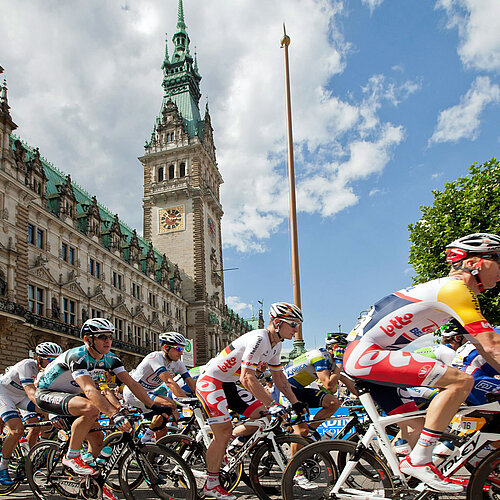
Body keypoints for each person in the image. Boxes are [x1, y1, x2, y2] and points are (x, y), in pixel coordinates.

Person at [343, 233, 500, 493]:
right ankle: (419, 461)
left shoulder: (447, 288)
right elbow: (492, 345)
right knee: (461, 381)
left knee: (415, 426)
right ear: (478, 262)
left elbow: (485, 346)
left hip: (366, 355)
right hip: (367, 356)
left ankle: (403, 487)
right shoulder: (455, 289)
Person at [35, 318, 171, 500]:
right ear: (88, 339)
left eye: (110, 337)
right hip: (47, 393)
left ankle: (92, 482)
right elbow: (89, 390)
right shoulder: (78, 356)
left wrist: (152, 406)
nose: (108, 341)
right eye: (102, 337)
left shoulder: (110, 359)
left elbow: (131, 383)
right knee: (91, 409)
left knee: (99, 441)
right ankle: (71, 456)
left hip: (73, 397)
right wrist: (115, 415)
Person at [196, 302, 308, 500]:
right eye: (293, 324)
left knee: (263, 418)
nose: (296, 329)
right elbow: (247, 378)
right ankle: (211, 484)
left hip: (229, 384)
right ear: (277, 322)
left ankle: (231, 448)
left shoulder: (276, 344)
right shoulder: (259, 339)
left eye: (297, 324)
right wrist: (273, 404)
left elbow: (280, 379)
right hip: (212, 381)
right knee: (223, 431)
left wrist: (295, 402)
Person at [0, 342, 62, 486]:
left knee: (47, 413)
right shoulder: (27, 364)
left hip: (21, 397)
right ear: (39, 358)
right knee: (17, 430)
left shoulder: (50, 371)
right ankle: (2, 467)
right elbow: (31, 392)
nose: (54, 363)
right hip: (5, 394)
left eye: (57, 360)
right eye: (51, 359)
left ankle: (35, 453)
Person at [122, 331, 196, 443]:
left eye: (183, 349)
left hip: (147, 394)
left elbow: (190, 381)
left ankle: (153, 454)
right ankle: (144, 441)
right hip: (133, 393)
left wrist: (201, 397)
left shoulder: (178, 363)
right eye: (179, 349)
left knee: (162, 429)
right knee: (170, 404)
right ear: (166, 347)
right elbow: (169, 382)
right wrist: (187, 401)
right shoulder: (155, 357)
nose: (181, 353)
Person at [283, 340, 341, 438]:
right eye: (344, 348)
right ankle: (297, 452)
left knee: (333, 403)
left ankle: (310, 432)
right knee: (301, 431)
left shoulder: (332, 362)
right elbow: (329, 386)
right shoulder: (320, 356)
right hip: (285, 389)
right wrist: (339, 365)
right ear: (335, 348)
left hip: (300, 389)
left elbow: (336, 387)